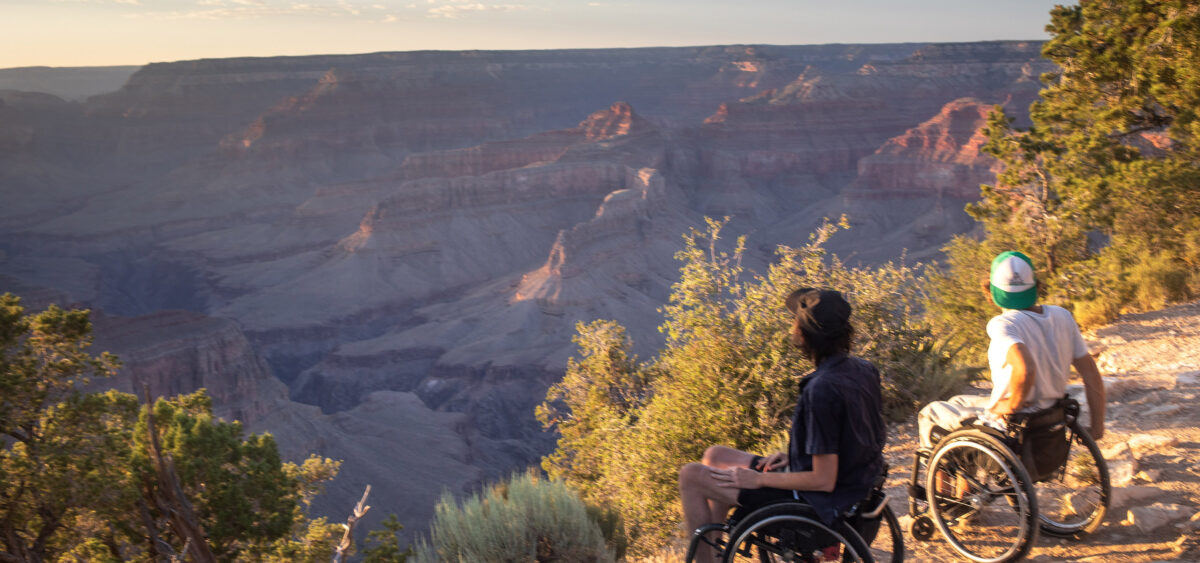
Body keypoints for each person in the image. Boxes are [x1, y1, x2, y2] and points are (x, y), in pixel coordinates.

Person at [677, 288, 886, 561]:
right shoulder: (862, 369)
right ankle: (716, 553)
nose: (792, 326)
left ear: (804, 333)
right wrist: (795, 456)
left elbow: (823, 479)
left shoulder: (821, 389)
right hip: (854, 487)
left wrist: (759, 478)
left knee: (691, 476)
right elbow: (854, 439)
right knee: (716, 456)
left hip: (818, 503)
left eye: (794, 320)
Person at [917, 250, 1106, 451]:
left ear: (991, 291)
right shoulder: (1063, 317)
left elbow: (1025, 369)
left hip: (1011, 427)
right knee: (957, 401)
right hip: (1050, 421)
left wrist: (1011, 406)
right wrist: (1097, 428)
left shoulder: (1003, 324)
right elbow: (1091, 374)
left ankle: (943, 479)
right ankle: (964, 478)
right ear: (1035, 286)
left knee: (929, 414)